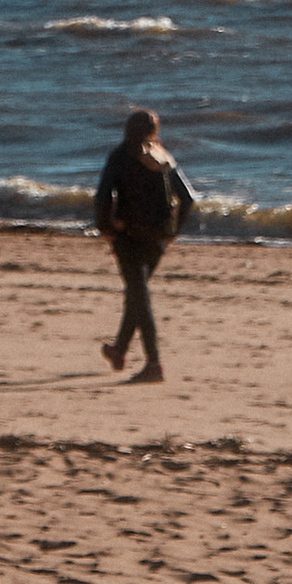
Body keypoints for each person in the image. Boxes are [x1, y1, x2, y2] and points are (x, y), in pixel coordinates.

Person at [94, 105, 192, 384]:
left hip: (129, 235)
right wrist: (173, 232)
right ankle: (119, 349)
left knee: (139, 294)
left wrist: (106, 228)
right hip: (158, 235)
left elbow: (102, 196)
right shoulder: (162, 156)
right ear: (154, 131)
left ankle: (153, 363)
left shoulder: (120, 156)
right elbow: (187, 199)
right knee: (137, 293)